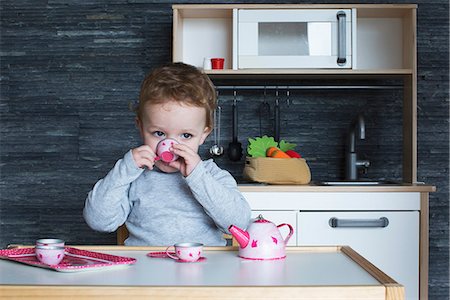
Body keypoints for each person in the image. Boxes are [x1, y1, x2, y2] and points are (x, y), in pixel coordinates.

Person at [83, 62, 251, 246]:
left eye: (186, 135)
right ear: (141, 127)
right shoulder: (133, 177)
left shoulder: (212, 175)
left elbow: (238, 224)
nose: (169, 147)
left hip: (203, 270)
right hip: (146, 270)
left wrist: (198, 176)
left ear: (203, 135)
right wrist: (125, 169)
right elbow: (98, 221)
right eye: (159, 134)